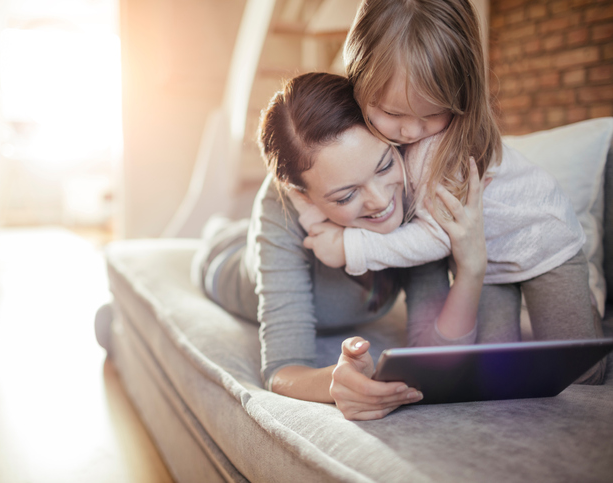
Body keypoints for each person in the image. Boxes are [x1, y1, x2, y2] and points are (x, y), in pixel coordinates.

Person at [301, 0, 605, 384]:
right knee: (498, 373)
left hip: (543, 244)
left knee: (584, 373)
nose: (411, 131)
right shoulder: (370, 142)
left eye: (431, 114)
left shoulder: (440, 152)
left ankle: (587, 303)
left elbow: (436, 238)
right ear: (358, 81)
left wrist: (352, 248)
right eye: (393, 114)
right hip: (488, 262)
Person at [192, 72, 487, 420]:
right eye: (346, 195)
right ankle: (218, 230)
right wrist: (335, 382)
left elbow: (435, 351)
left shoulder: (413, 179)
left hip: (268, 237)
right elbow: (282, 369)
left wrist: (471, 269)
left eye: (384, 165)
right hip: (227, 263)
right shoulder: (281, 206)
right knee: (219, 238)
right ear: (302, 196)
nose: (381, 201)